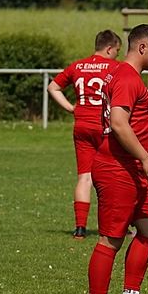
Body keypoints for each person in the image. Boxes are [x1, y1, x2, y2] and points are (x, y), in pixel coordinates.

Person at [83, 24, 148, 294]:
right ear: (142, 47)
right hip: (118, 168)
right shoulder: (128, 77)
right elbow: (118, 123)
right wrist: (145, 157)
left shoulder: (122, 74)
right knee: (111, 239)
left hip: (131, 169)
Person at [47, 30, 122, 239]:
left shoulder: (77, 66)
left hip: (81, 126)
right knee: (114, 175)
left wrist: (71, 108)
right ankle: (117, 225)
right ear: (109, 48)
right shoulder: (115, 67)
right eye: (117, 51)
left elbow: (52, 87)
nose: (117, 55)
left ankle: (80, 228)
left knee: (84, 177)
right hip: (104, 126)